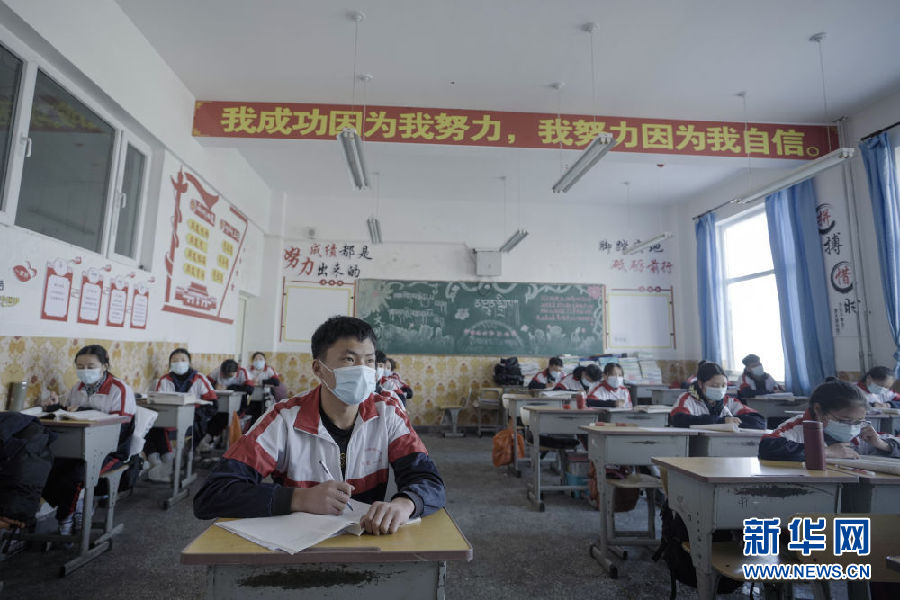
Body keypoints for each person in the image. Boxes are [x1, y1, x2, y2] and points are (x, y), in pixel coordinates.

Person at [194, 316, 445, 535]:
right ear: (319, 368)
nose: (362, 371)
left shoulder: (387, 413)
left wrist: (405, 504)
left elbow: (429, 481)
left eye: (369, 361)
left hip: (366, 542)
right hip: (294, 544)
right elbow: (213, 493)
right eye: (349, 359)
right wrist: (299, 498)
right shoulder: (284, 419)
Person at [41, 345, 136, 535]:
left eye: (91, 366)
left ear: (105, 366)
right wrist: (54, 407)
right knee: (47, 466)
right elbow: (70, 414)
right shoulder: (77, 388)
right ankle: (76, 506)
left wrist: (84, 411)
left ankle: (65, 518)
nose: (85, 371)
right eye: (80, 366)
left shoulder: (119, 389)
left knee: (77, 473)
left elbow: (120, 426)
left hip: (112, 450)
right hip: (79, 447)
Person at [759, 378, 900, 461]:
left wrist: (882, 445)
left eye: (858, 421)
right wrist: (826, 452)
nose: (852, 427)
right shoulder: (798, 427)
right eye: (845, 420)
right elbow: (767, 447)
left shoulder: (863, 433)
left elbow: (893, 443)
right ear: (818, 410)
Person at [144, 348, 217, 481]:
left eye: (183, 360)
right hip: (169, 420)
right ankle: (160, 463)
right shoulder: (164, 380)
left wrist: (193, 415)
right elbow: (158, 403)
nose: (179, 363)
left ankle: (167, 463)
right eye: (175, 360)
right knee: (148, 427)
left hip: (193, 422)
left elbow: (213, 404)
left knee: (162, 429)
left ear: (189, 363)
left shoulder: (199, 378)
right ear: (170, 364)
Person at [670, 361, 765, 429]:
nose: (720, 389)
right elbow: (679, 419)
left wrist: (733, 421)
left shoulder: (729, 402)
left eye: (723, 385)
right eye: (714, 385)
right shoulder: (687, 399)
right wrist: (722, 421)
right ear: (700, 384)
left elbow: (759, 421)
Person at [203, 359, 254, 451]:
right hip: (220, 403)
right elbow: (204, 384)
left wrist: (229, 387)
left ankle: (213, 439)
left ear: (236, 372)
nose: (226, 377)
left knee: (226, 417)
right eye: (224, 375)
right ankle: (210, 440)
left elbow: (250, 389)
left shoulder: (243, 372)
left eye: (229, 375)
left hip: (238, 404)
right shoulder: (217, 371)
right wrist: (214, 386)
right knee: (213, 416)